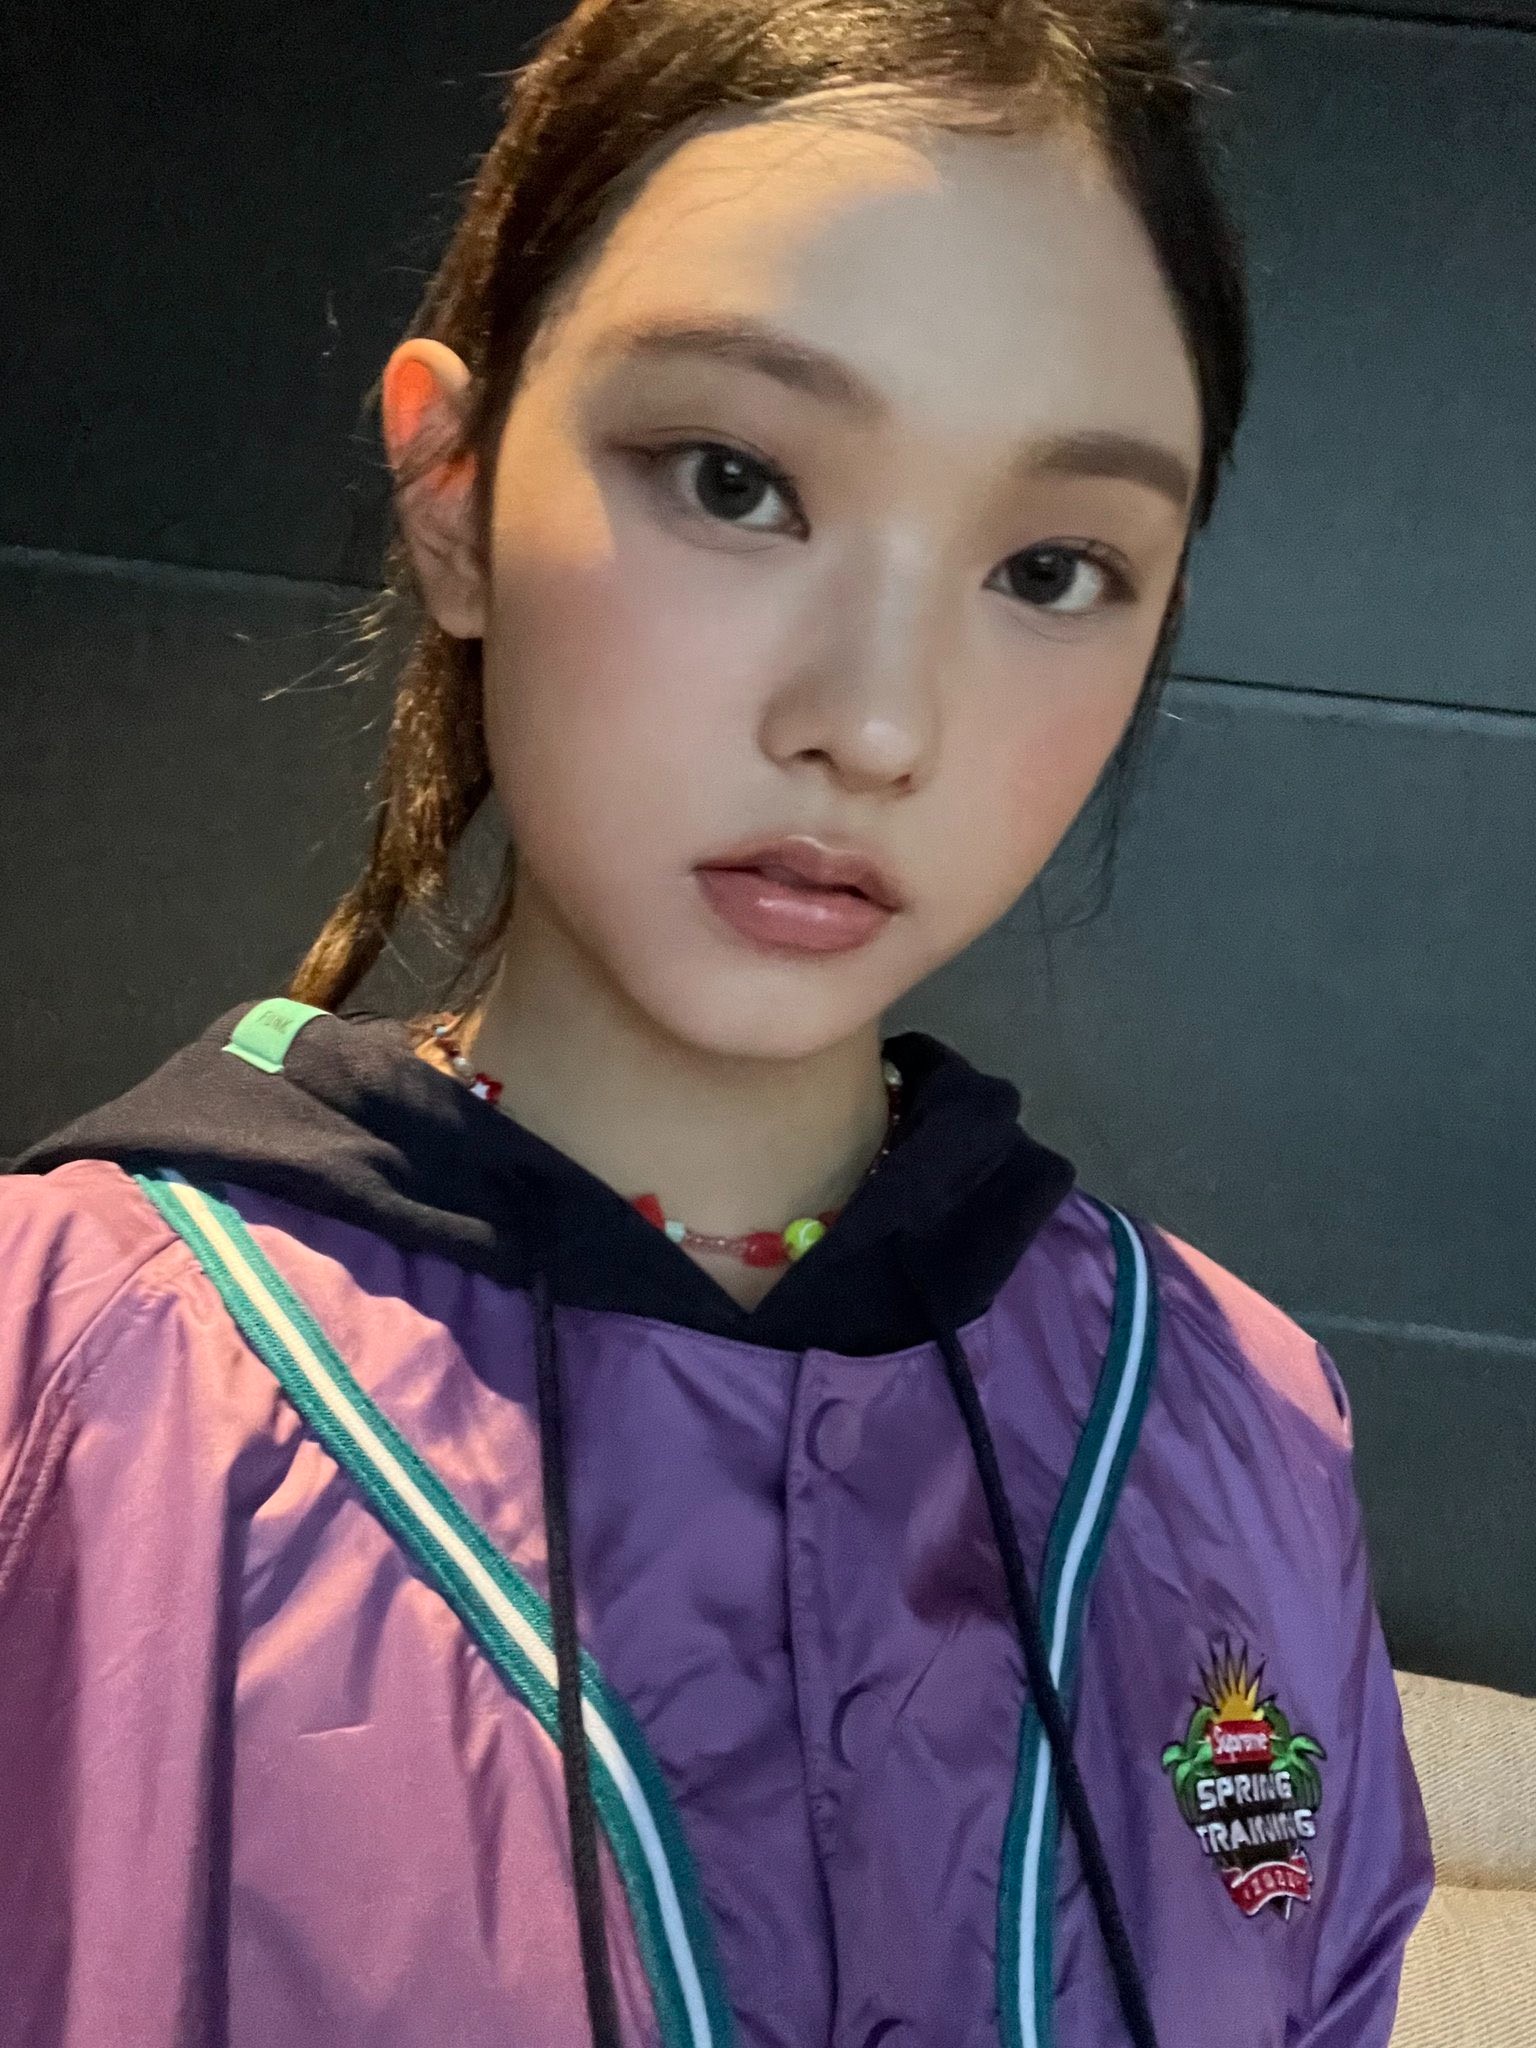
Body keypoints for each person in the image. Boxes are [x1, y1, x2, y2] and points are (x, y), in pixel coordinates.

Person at [0, 2, 1432, 2043]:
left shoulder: (1238, 1432)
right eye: (736, 481)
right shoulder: (66, 1386)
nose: (876, 720)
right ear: (453, 488)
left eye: (1052, 567)